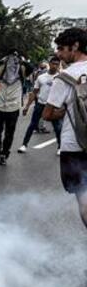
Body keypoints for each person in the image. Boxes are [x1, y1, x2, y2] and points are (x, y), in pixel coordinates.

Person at [43, 28, 87, 228]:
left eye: (61, 49)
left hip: (74, 145)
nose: (59, 54)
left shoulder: (64, 77)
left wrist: (62, 111)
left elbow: (48, 114)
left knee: (83, 195)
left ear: (75, 46)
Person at [0, 49, 34, 165]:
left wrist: (21, 61)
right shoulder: (1, 70)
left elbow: (31, 68)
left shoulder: (22, 71)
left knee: (9, 132)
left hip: (13, 106)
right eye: (10, 59)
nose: (12, 64)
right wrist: (3, 60)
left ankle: (4, 153)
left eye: (15, 60)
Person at [18, 56, 63, 155]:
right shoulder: (41, 77)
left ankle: (60, 147)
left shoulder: (61, 78)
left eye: (57, 64)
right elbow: (34, 93)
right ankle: (24, 145)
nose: (55, 66)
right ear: (49, 64)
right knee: (32, 125)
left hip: (54, 106)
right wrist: (27, 106)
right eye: (53, 63)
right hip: (41, 104)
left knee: (58, 128)